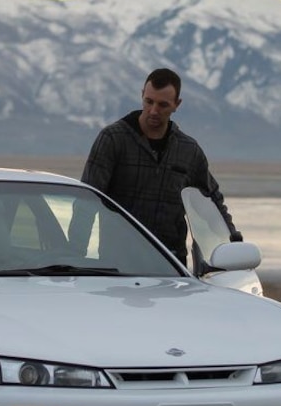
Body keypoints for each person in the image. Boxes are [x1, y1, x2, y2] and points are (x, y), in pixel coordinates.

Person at [80, 67, 241, 265]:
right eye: (149, 101)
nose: (154, 110)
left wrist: (233, 243)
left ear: (177, 105)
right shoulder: (113, 139)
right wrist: (73, 256)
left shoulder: (188, 150)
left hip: (171, 263)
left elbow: (212, 200)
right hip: (118, 261)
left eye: (163, 105)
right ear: (142, 96)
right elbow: (86, 201)